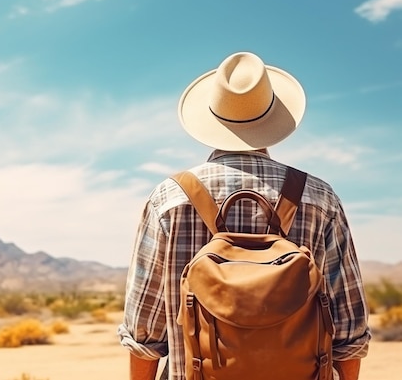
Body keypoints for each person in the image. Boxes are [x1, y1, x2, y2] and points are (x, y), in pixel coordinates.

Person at [117, 51, 370, 380]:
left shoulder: (169, 198)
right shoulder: (320, 198)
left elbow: (144, 327)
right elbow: (349, 324)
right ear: (273, 119)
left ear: (212, 117)